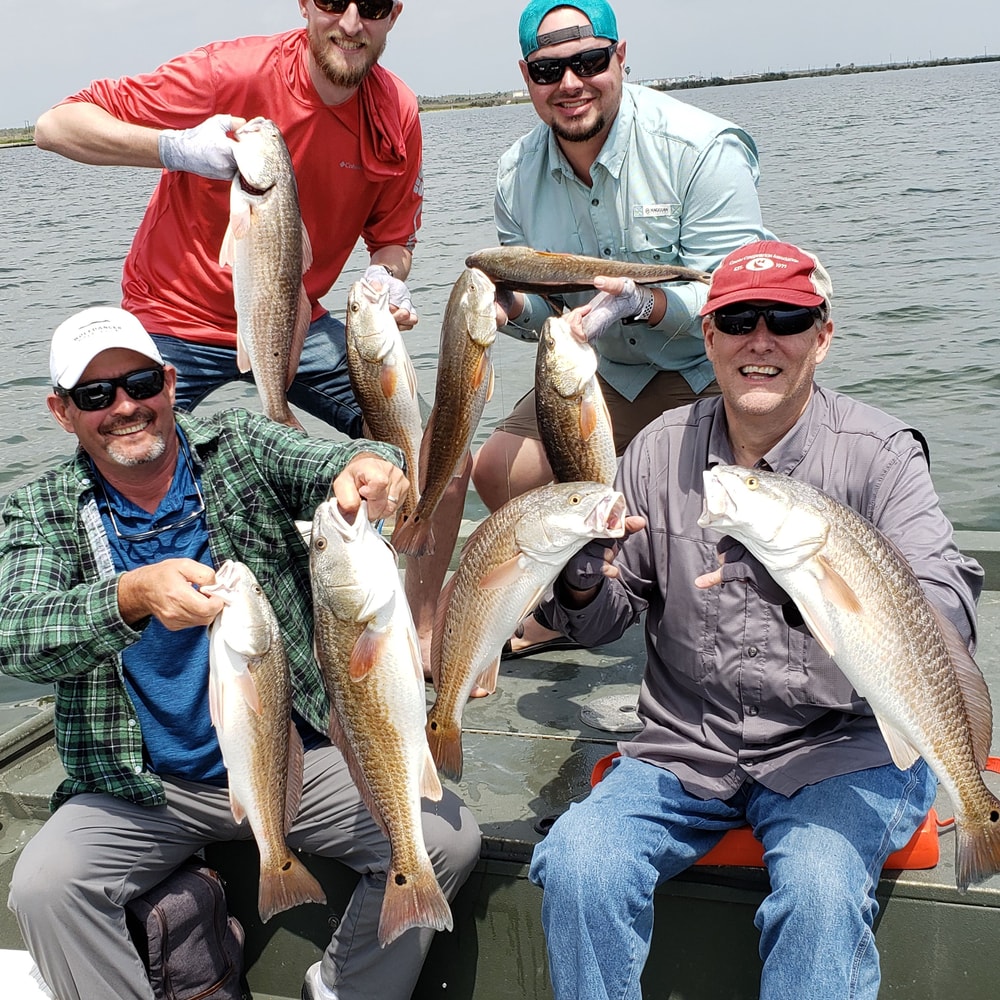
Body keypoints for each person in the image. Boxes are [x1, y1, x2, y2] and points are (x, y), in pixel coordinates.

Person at [527, 240, 984, 999]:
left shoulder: (880, 455)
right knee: (580, 861)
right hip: (686, 746)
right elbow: (606, 615)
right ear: (708, 338)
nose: (761, 339)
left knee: (819, 888)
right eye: (738, 319)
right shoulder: (656, 450)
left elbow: (947, 598)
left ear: (823, 336)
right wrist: (576, 586)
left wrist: (820, 594)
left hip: (837, 749)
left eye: (788, 318)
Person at [0, 306, 481, 1000]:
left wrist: (372, 467)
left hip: (289, 755)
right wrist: (129, 597)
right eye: (95, 395)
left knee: (445, 840)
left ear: (169, 381)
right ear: (61, 410)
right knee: (46, 887)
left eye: (139, 383)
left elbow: (336, 463)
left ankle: (340, 987)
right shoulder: (40, 510)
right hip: (140, 784)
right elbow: (15, 631)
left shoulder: (240, 446)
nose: (125, 407)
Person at [404, 0, 773, 665]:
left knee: (711, 510)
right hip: (598, 371)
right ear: (527, 77)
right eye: (549, 70)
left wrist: (643, 304)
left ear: (620, 57)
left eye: (589, 62)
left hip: (703, 369)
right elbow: (550, 310)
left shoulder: (701, 149)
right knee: (500, 470)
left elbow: (736, 299)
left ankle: (659, 570)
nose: (570, 83)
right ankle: (564, 599)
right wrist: (514, 313)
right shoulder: (516, 175)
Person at [33, 1, 421, 436]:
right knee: (131, 454)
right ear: (305, 6)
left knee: (427, 442)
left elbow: (394, 241)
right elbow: (55, 126)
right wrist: (174, 147)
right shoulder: (230, 72)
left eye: (371, 6)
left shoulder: (397, 111)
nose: (351, 24)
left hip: (293, 319)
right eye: (333, 2)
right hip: (174, 318)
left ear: (393, 15)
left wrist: (385, 276)